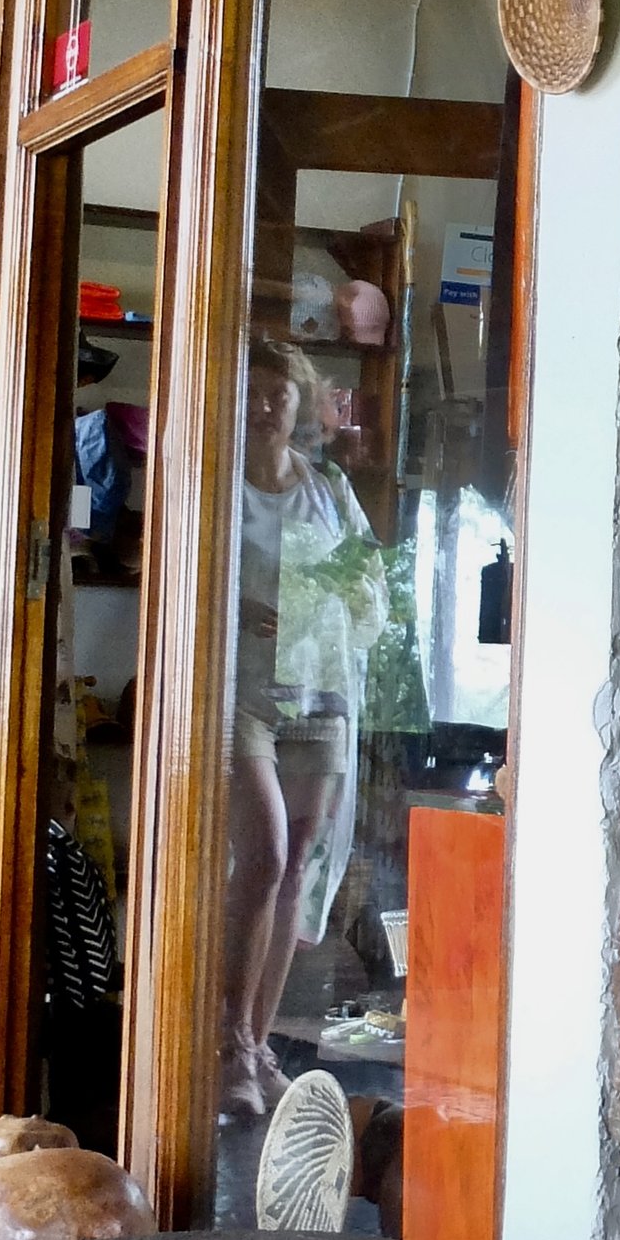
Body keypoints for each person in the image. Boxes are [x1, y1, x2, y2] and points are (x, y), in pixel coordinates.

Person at [223, 339, 374, 1119]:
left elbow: (372, 593)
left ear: (300, 404)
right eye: (254, 392)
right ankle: (224, 1041)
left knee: (297, 866)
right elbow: (183, 587)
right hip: (240, 693)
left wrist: (337, 599)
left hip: (317, 692)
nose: (267, 406)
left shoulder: (329, 490)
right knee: (264, 853)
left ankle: (254, 1045)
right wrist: (240, 612)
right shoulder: (214, 488)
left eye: (281, 394)